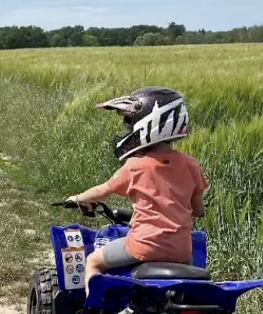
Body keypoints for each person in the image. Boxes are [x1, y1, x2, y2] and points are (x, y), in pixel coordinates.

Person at [66, 87, 208, 295]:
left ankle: (93, 310)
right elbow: (198, 210)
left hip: (144, 246)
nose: (127, 131)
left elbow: (102, 191)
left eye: (129, 124)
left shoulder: (136, 166)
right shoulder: (191, 165)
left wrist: (77, 198)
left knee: (94, 261)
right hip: (181, 251)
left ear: (148, 124)